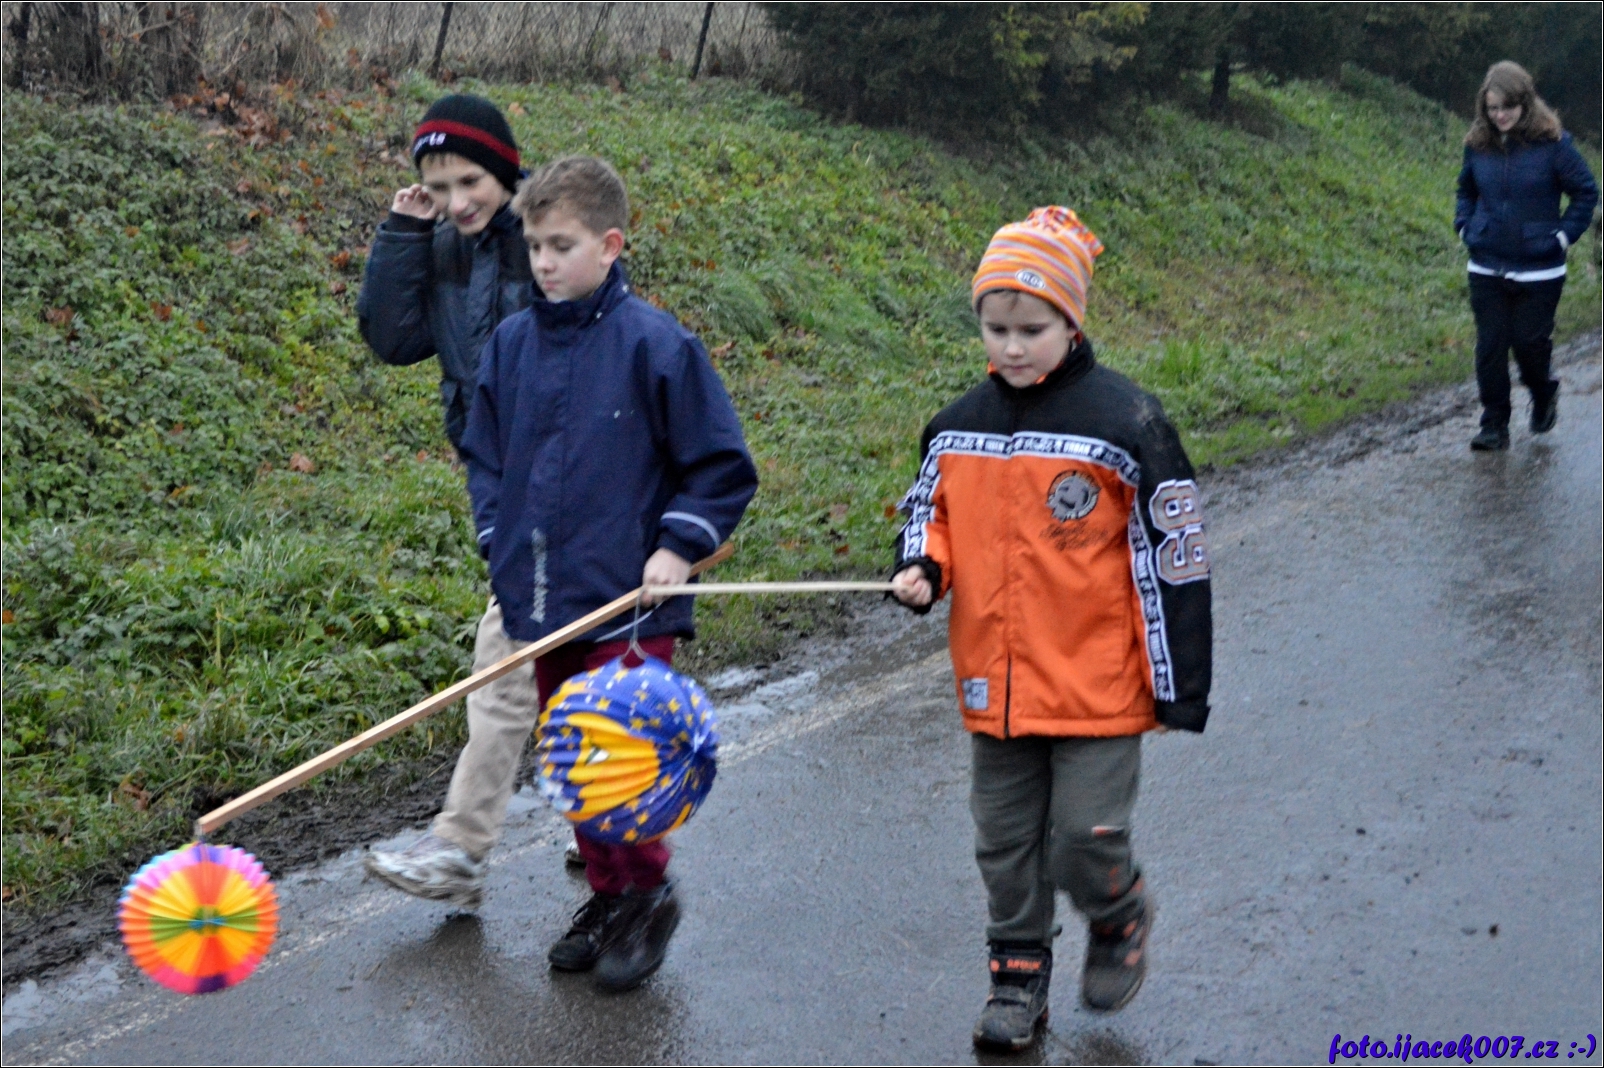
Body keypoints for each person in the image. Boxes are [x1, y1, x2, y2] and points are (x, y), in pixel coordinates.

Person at [369, 155, 758, 992]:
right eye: (536, 246)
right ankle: (610, 896)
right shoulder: (512, 346)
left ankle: (649, 894)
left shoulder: (657, 346)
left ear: (610, 246)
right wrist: (496, 533)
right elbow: (486, 456)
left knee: (616, 756)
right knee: (572, 761)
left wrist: (677, 547)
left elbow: (720, 465)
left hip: (630, 604)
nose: (544, 263)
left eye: (562, 246)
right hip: (541, 599)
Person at [888, 207, 1212, 1051]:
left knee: (1083, 838)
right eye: (996, 329)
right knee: (1002, 843)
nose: (1012, 348)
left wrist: (1179, 684)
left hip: (1097, 686)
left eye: (1032, 329)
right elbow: (930, 512)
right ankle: (1016, 977)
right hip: (993, 686)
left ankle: (1118, 910)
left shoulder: (1125, 424)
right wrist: (923, 565)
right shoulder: (956, 426)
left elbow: (1173, 555)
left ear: (1073, 321)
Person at [1454, 60, 1598, 452]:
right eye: (1493, 108)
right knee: (1490, 346)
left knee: (1529, 345)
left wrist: (1562, 237)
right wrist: (1465, 226)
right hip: (1486, 264)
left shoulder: (1555, 146)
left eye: (1508, 107)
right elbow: (1465, 191)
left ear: (1525, 103)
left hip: (1540, 270)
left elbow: (1586, 192)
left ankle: (1543, 392)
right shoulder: (1477, 145)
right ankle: (1493, 424)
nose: (1500, 115)